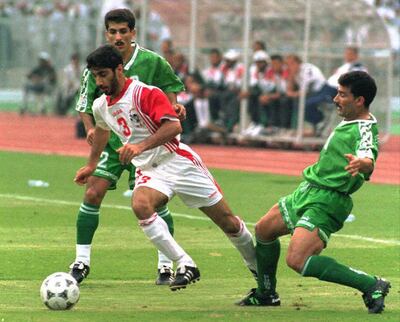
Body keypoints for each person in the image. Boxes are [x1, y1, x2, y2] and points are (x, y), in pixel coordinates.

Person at [75, 44, 257, 291]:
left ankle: (261, 275)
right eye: (95, 76)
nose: (99, 81)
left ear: (119, 70)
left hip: (178, 162)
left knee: (229, 224)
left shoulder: (145, 93)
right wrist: (91, 165)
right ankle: (185, 263)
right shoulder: (100, 105)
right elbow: (102, 133)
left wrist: (140, 146)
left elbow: (174, 127)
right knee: (140, 204)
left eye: (103, 74)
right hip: (150, 171)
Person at [237, 71, 391, 314]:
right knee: (264, 229)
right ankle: (266, 294)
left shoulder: (364, 128)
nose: (335, 99)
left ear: (359, 100)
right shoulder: (349, 119)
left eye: (342, 95)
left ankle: (371, 284)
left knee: (297, 261)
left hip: (328, 200)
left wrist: (364, 163)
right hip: (308, 190)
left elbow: (367, 153)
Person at [71, 8, 185, 286]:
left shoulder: (153, 62)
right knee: (92, 193)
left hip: (147, 147)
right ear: (106, 33)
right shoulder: (97, 64)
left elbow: (169, 92)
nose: (118, 36)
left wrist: (175, 107)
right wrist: (89, 128)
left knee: (153, 203)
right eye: (113, 31)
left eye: (124, 31)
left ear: (133, 32)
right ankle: (81, 262)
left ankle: (165, 265)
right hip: (112, 143)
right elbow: (87, 104)